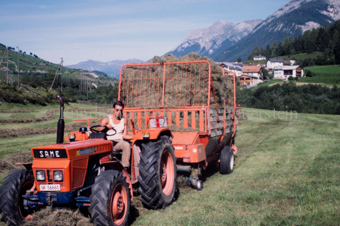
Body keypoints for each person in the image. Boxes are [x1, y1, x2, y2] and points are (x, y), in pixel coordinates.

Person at [100, 100, 132, 170]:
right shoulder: (107, 119)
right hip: (108, 141)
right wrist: (106, 127)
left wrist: (135, 136)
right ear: (113, 109)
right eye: (117, 110)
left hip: (119, 142)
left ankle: (124, 167)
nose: (119, 112)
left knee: (126, 144)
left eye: (120, 110)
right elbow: (99, 130)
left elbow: (125, 135)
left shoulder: (124, 120)